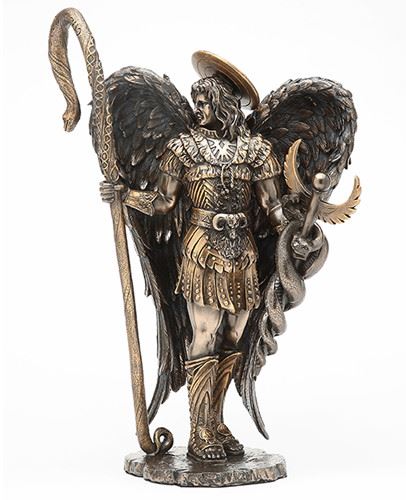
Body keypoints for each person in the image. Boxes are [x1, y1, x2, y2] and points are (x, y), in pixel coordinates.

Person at [101, 75, 288, 462]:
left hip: (243, 252)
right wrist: (125, 195)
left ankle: (216, 421)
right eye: (196, 102)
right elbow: (163, 203)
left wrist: (294, 229)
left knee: (235, 334)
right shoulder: (183, 148)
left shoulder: (256, 151)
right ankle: (200, 428)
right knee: (205, 332)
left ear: (223, 104)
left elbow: (272, 207)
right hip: (202, 248)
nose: (197, 110)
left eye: (204, 102)